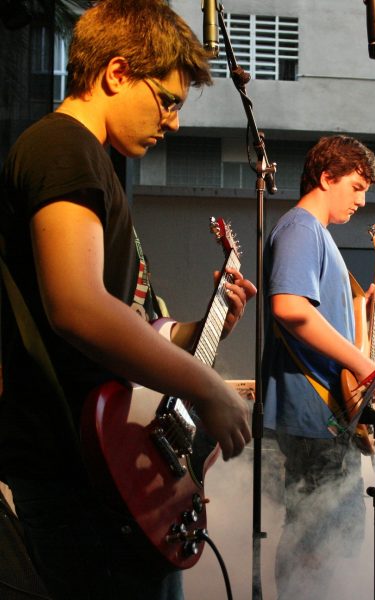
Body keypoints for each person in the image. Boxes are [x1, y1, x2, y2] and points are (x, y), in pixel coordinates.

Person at [0, 1, 255, 599]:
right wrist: (206, 387)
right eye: (167, 100)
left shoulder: (91, 161)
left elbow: (122, 320)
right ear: (116, 73)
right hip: (76, 473)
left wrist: (193, 332)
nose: (173, 123)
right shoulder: (64, 150)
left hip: (101, 473)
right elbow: (79, 310)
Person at [262, 135, 375, 599]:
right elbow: (290, 307)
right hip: (313, 417)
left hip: (325, 416)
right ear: (326, 177)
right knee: (314, 545)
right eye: (356, 187)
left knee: (324, 544)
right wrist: (364, 364)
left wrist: (365, 308)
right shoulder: (301, 228)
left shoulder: (316, 236)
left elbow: (326, 324)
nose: (362, 200)